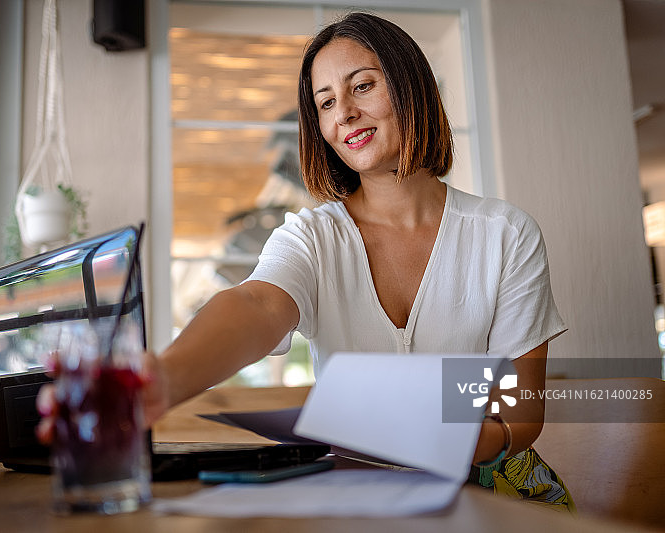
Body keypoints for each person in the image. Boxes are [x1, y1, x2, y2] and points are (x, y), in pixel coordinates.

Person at [39, 11, 574, 510]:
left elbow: (523, 407)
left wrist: (472, 439)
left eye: (362, 86)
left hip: (488, 493)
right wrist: (164, 379)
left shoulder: (507, 235)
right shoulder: (313, 237)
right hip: (362, 494)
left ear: (414, 90)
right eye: (324, 102)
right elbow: (257, 303)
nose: (344, 112)